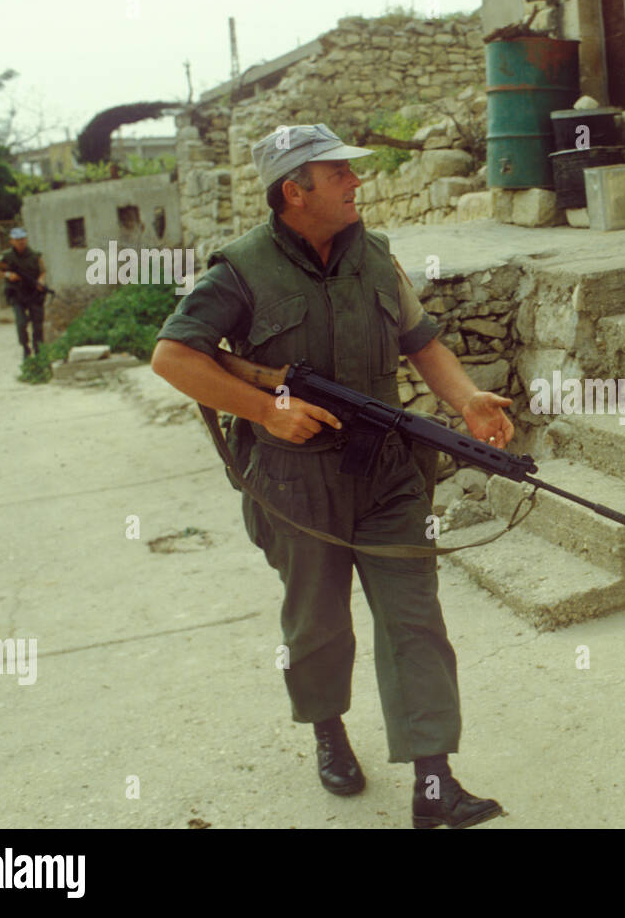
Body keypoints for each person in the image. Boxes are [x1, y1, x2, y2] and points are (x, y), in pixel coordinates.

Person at [150, 123, 514, 829]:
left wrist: (466, 399)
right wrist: (267, 410)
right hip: (294, 480)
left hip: (385, 468)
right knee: (317, 622)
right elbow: (173, 358)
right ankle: (328, 730)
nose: (356, 182)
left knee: (414, 620)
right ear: (296, 190)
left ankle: (433, 783)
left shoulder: (375, 255)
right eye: (338, 173)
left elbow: (422, 341)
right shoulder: (239, 271)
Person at [0, 227, 48, 359]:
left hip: (33, 293)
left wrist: (41, 282)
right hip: (16, 293)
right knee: (21, 322)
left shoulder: (35, 255)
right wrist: (8, 275)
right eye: (18, 240)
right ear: (11, 241)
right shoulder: (5, 257)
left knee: (38, 324)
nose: (21, 242)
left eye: (23, 239)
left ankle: (39, 350)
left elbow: (42, 271)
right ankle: (25, 347)